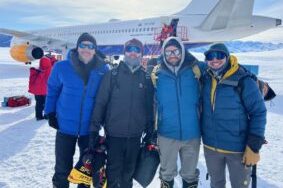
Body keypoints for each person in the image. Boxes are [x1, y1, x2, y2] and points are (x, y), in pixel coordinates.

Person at [44, 32, 109, 188]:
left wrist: (105, 121)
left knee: (85, 171)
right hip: (65, 128)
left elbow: (106, 98)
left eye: (90, 46)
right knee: (62, 169)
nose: (86, 49)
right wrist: (50, 112)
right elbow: (52, 90)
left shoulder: (103, 70)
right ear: (77, 47)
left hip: (89, 129)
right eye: (83, 45)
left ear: (95, 49)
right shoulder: (61, 67)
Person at [89, 38, 154, 188]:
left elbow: (150, 107)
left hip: (135, 136)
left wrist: (150, 130)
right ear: (124, 52)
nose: (133, 53)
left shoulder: (145, 78)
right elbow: (100, 103)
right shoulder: (112, 75)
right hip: (114, 135)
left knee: (128, 174)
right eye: (129, 49)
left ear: (141, 54)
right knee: (112, 174)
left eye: (136, 50)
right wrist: (94, 129)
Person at [201, 43, 267, 188]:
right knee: (216, 184)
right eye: (210, 56)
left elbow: (259, 112)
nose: (214, 60)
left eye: (219, 55)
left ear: (228, 57)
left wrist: (254, 145)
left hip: (237, 148)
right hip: (211, 146)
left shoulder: (243, 80)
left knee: (240, 185)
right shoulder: (205, 78)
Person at [151, 36, 202, 188]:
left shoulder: (196, 69)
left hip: (192, 133)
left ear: (182, 52)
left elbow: (220, 70)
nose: (172, 55)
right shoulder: (156, 74)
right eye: (168, 52)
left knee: (190, 173)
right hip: (167, 133)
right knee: (167, 173)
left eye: (176, 51)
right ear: (164, 54)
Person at [28, 56, 52, 120]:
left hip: (37, 91)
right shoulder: (50, 70)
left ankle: (38, 116)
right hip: (46, 91)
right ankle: (47, 116)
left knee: (39, 103)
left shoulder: (38, 70)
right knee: (47, 103)